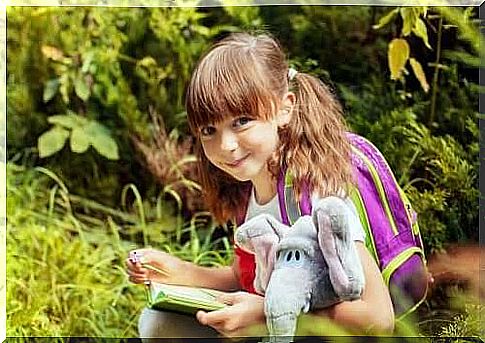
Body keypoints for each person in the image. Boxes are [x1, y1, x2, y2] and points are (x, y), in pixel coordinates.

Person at [126, 32, 395, 338]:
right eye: (209, 129)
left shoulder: (315, 192)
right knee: (159, 322)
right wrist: (178, 271)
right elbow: (244, 278)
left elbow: (378, 316)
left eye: (241, 121)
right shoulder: (248, 189)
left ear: (284, 108)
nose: (225, 145)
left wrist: (267, 313)